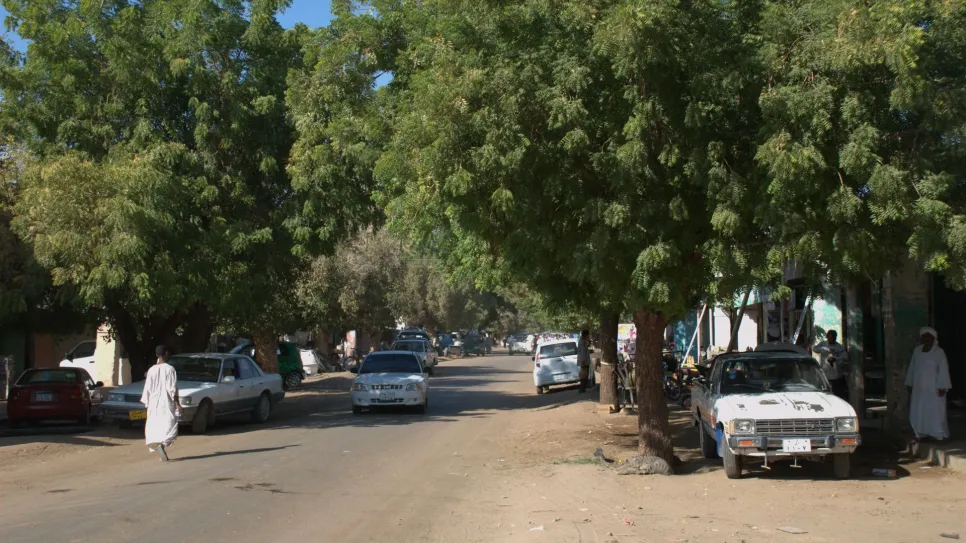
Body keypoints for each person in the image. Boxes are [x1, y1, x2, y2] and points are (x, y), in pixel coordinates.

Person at [905, 327, 952, 442]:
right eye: (924, 336)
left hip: (934, 388)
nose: (926, 339)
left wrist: (943, 387)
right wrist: (909, 383)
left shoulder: (939, 352)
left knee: (935, 411)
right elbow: (912, 368)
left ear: (933, 338)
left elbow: (943, 370)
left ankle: (938, 434)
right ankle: (921, 433)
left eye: (928, 336)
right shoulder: (917, 351)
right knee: (919, 410)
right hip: (919, 388)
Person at [141, 345, 180, 461]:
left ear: (157, 355)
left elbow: (147, 389)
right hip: (166, 402)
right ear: (166, 353)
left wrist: (147, 404)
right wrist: (177, 404)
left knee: (155, 426)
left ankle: (159, 446)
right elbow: (173, 389)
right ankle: (162, 445)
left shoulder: (151, 370)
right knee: (171, 427)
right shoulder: (170, 369)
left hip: (153, 403)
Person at [813, 330, 849, 400]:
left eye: (832, 338)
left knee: (836, 392)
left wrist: (835, 358)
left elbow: (845, 357)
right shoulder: (823, 344)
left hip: (835, 374)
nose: (830, 340)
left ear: (835, 338)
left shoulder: (839, 347)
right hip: (824, 372)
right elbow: (815, 348)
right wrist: (822, 349)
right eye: (829, 338)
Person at [577, 329, 592, 394]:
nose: (589, 336)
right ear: (586, 335)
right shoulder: (582, 341)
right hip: (584, 361)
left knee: (585, 374)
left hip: (585, 361)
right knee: (584, 375)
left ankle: (583, 388)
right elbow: (583, 352)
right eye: (588, 335)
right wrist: (583, 361)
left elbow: (586, 348)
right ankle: (582, 388)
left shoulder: (583, 341)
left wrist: (589, 343)